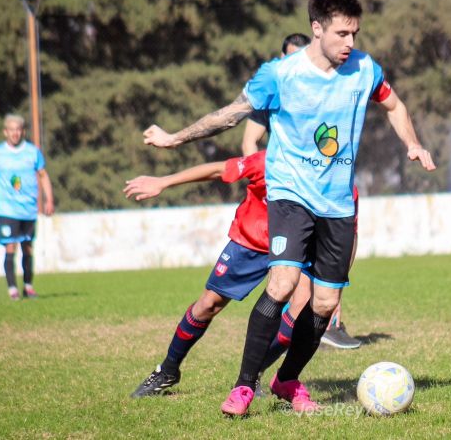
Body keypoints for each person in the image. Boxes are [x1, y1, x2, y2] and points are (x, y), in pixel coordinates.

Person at [143, 0, 436, 416]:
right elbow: (229, 113)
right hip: (290, 195)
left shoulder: (365, 69)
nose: (350, 43)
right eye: (341, 34)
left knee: (323, 303)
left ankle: (285, 380)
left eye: (355, 33)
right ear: (316, 29)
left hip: (337, 205)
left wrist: (411, 142)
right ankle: (244, 387)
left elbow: (394, 106)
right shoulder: (280, 75)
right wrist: (175, 138)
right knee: (279, 285)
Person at [126, 150, 358, 398]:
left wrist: (336, 286)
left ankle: (253, 375)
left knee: (300, 309)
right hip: (252, 243)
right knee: (208, 305)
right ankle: (168, 370)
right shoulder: (271, 160)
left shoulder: (337, 177)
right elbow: (218, 170)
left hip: (300, 249)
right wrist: (164, 181)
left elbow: (350, 232)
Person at [242, 32, 361, 350]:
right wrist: (263, 178)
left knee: (324, 276)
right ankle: (260, 366)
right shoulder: (273, 92)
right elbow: (249, 143)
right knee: (284, 283)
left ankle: (330, 321)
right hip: (287, 195)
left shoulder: (328, 88)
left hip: (327, 193)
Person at [0, 114, 54, 300]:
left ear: (23, 131)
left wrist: (49, 199)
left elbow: (43, 175)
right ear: (5, 132)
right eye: (11, 130)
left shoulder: (33, 152)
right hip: (6, 208)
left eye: (18, 129)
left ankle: (28, 287)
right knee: (10, 247)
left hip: (28, 208)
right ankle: (12, 289)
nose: (15, 133)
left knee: (28, 247)